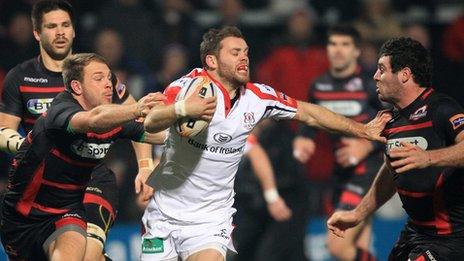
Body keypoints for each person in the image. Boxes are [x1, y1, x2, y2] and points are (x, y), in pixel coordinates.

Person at [140, 26, 391, 261]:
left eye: (246, 52)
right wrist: (184, 108)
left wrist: (363, 130)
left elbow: (311, 113)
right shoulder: (187, 87)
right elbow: (150, 122)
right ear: (212, 61)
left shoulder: (258, 98)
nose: (244, 58)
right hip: (164, 214)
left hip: (211, 221)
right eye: (235, 52)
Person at [0, 1, 154, 260]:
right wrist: (22, 144)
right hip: (44, 185)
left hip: (93, 179)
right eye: (51, 26)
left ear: (74, 31)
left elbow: (138, 118)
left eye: (65, 25)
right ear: (37, 33)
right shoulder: (20, 77)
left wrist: (146, 164)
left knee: (88, 254)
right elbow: (4, 129)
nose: (60, 32)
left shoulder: (96, 75)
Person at [327, 37, 464, 261]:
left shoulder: (441, 108)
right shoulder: (391, 121)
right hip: (415, 233)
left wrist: (428, 158)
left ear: (404, 74)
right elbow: (391, 172)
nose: (375, 76)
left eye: (382, 69)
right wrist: (357, 214)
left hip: (451, 239)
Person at [293, 25, 384, 261]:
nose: (338, 50)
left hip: (369, 170)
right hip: (340, 173)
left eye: (345, 45)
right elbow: (311, 118)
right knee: (358, 245)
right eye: (333, 44)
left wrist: (366, 145)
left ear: (356, 51)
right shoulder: (319, 86)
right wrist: (304, 138)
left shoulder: (371, 84)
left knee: (336, 245)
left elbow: (394, 123)